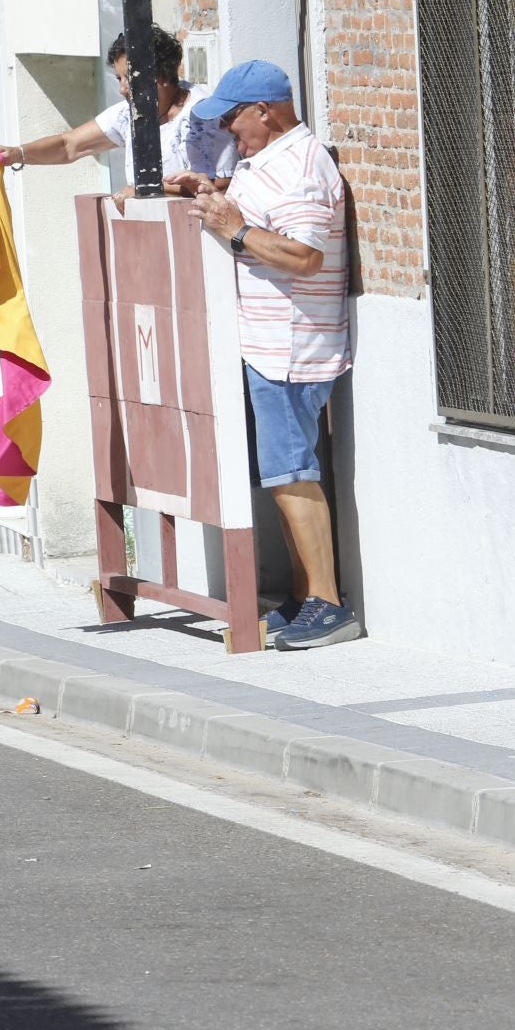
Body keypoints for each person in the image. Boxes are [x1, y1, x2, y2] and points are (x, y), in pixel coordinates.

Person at [183, 60, 357, 651]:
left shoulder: (303, 169)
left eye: (234, 117)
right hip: (267, 343)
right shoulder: (271, 161)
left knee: (291, 473)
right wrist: (218, 194)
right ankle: (306, 595)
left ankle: (328, 605)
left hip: (290, 347)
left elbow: (305, 255)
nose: (230, 129)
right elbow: (264, 219)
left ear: (265, 111)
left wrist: (232, 230)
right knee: (283, 474)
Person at [0, 25, 234, 198]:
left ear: (160, 75)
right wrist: (17, 154)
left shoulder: (202, 116)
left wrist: (145, 189)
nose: (122, 90)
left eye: (129, 79)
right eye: (118, 79)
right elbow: (69, 145)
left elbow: (221, 187)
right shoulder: (129, 114)